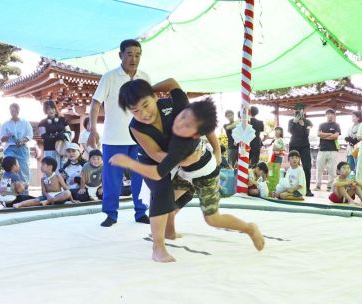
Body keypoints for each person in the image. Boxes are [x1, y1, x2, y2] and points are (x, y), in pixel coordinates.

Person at [112, 79, 265, 262]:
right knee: (163, 196)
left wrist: (216, 150)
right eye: (135, 111)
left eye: (146, 105)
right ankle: (162, 241)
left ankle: (249, 228)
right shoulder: (144, 127)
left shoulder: (180, 136)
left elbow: (202, 125)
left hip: (203, 175)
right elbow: (156, 154)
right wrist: (143, 92)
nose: (143, 114)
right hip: (180, 167)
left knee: (212, 219)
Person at [87, 39, 150, 227]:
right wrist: (92, 130)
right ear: (121, 55)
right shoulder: (110, 77)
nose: (134, 58)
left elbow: (150, 105)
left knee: (141, 177)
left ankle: (141, 212)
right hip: (114, 137)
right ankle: (111, 214)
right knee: (112, 179)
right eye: (129, 54)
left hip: (140, 137)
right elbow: (95, 103)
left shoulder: (144, 77)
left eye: (137, 54)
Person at [0, 103, 33, 185]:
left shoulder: (25, 122)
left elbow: (30, 135)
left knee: (23, 169)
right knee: (8, 167)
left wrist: (22, 141)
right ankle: (7, 191)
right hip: (10, 147)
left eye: (14, 110)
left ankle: (24, 192)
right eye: (11, 111)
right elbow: (1, 138)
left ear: (18, 111)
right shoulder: (5, 124)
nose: (12, 112)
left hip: (22, 148)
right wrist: (7, 136)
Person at [288, 103, 314, 197]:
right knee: (294, 167)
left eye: (300, 109)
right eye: (296, 109)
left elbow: (306, 134)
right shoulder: (291, 121)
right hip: (294, 145)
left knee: (307, 167)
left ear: (303, 110)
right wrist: (295, 122)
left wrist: (302, 125)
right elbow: (291, 131)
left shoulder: (308, 122)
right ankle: (293, 188)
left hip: (305, 146)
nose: (298, 111)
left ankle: (307, 189)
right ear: (294, 111)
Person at [38, 100, 71, 170]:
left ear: (55, 109)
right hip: (50, 149)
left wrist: (63, 135)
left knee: (63, 169)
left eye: (52, 108)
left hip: (62, 148)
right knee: (50, 169)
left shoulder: (63, 119)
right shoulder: (42, 123)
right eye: (48, 109)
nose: (51, 111)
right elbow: (43, 136)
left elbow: (69, 132)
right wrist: (55, 137)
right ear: (45, 111)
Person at [315, 108, 341, 192]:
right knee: (319, 169)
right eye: (328, 114)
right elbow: (319, 134)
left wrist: (324, 136)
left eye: (332, 114)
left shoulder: (336, 125)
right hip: (322, 150)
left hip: (333, 150)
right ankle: (318, 185)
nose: (330, 115)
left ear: (334, 115)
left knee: (332, 170)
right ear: (326, 115)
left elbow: (336, 136)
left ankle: (330, 186)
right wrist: (330, 134)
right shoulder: (321, 124)